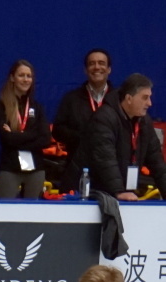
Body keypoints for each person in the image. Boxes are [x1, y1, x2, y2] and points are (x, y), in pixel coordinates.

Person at [72, 73, 166, 202]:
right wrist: (118, 190)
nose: (150, 103)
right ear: (129, 98)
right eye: (145, 98)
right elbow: (105, 159)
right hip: (85, 194)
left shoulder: (144, 122)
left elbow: (156, 160)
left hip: (116, 193)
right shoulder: (104, 118)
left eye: (149, 97)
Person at [52, 49, 113, 189]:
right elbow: (57, 130)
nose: (96, 67)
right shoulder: (71, 99)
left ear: (109, 69)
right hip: (77, 170)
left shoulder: (119, 99)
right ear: (85, 70)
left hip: (110, 171)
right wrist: (82, 137)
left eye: (101, 63)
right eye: (92, 64)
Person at [0, 60, 51, 199]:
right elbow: (7, 139)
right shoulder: (0, 106)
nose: (25, 79)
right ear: (12, 78)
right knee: (4, 209)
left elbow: (45, 139)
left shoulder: (37, 107)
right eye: (21, 75)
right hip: (10, 167)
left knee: (33, 211)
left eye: (29, 76)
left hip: (36, 168)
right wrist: (33, 134)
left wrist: (16, 135)